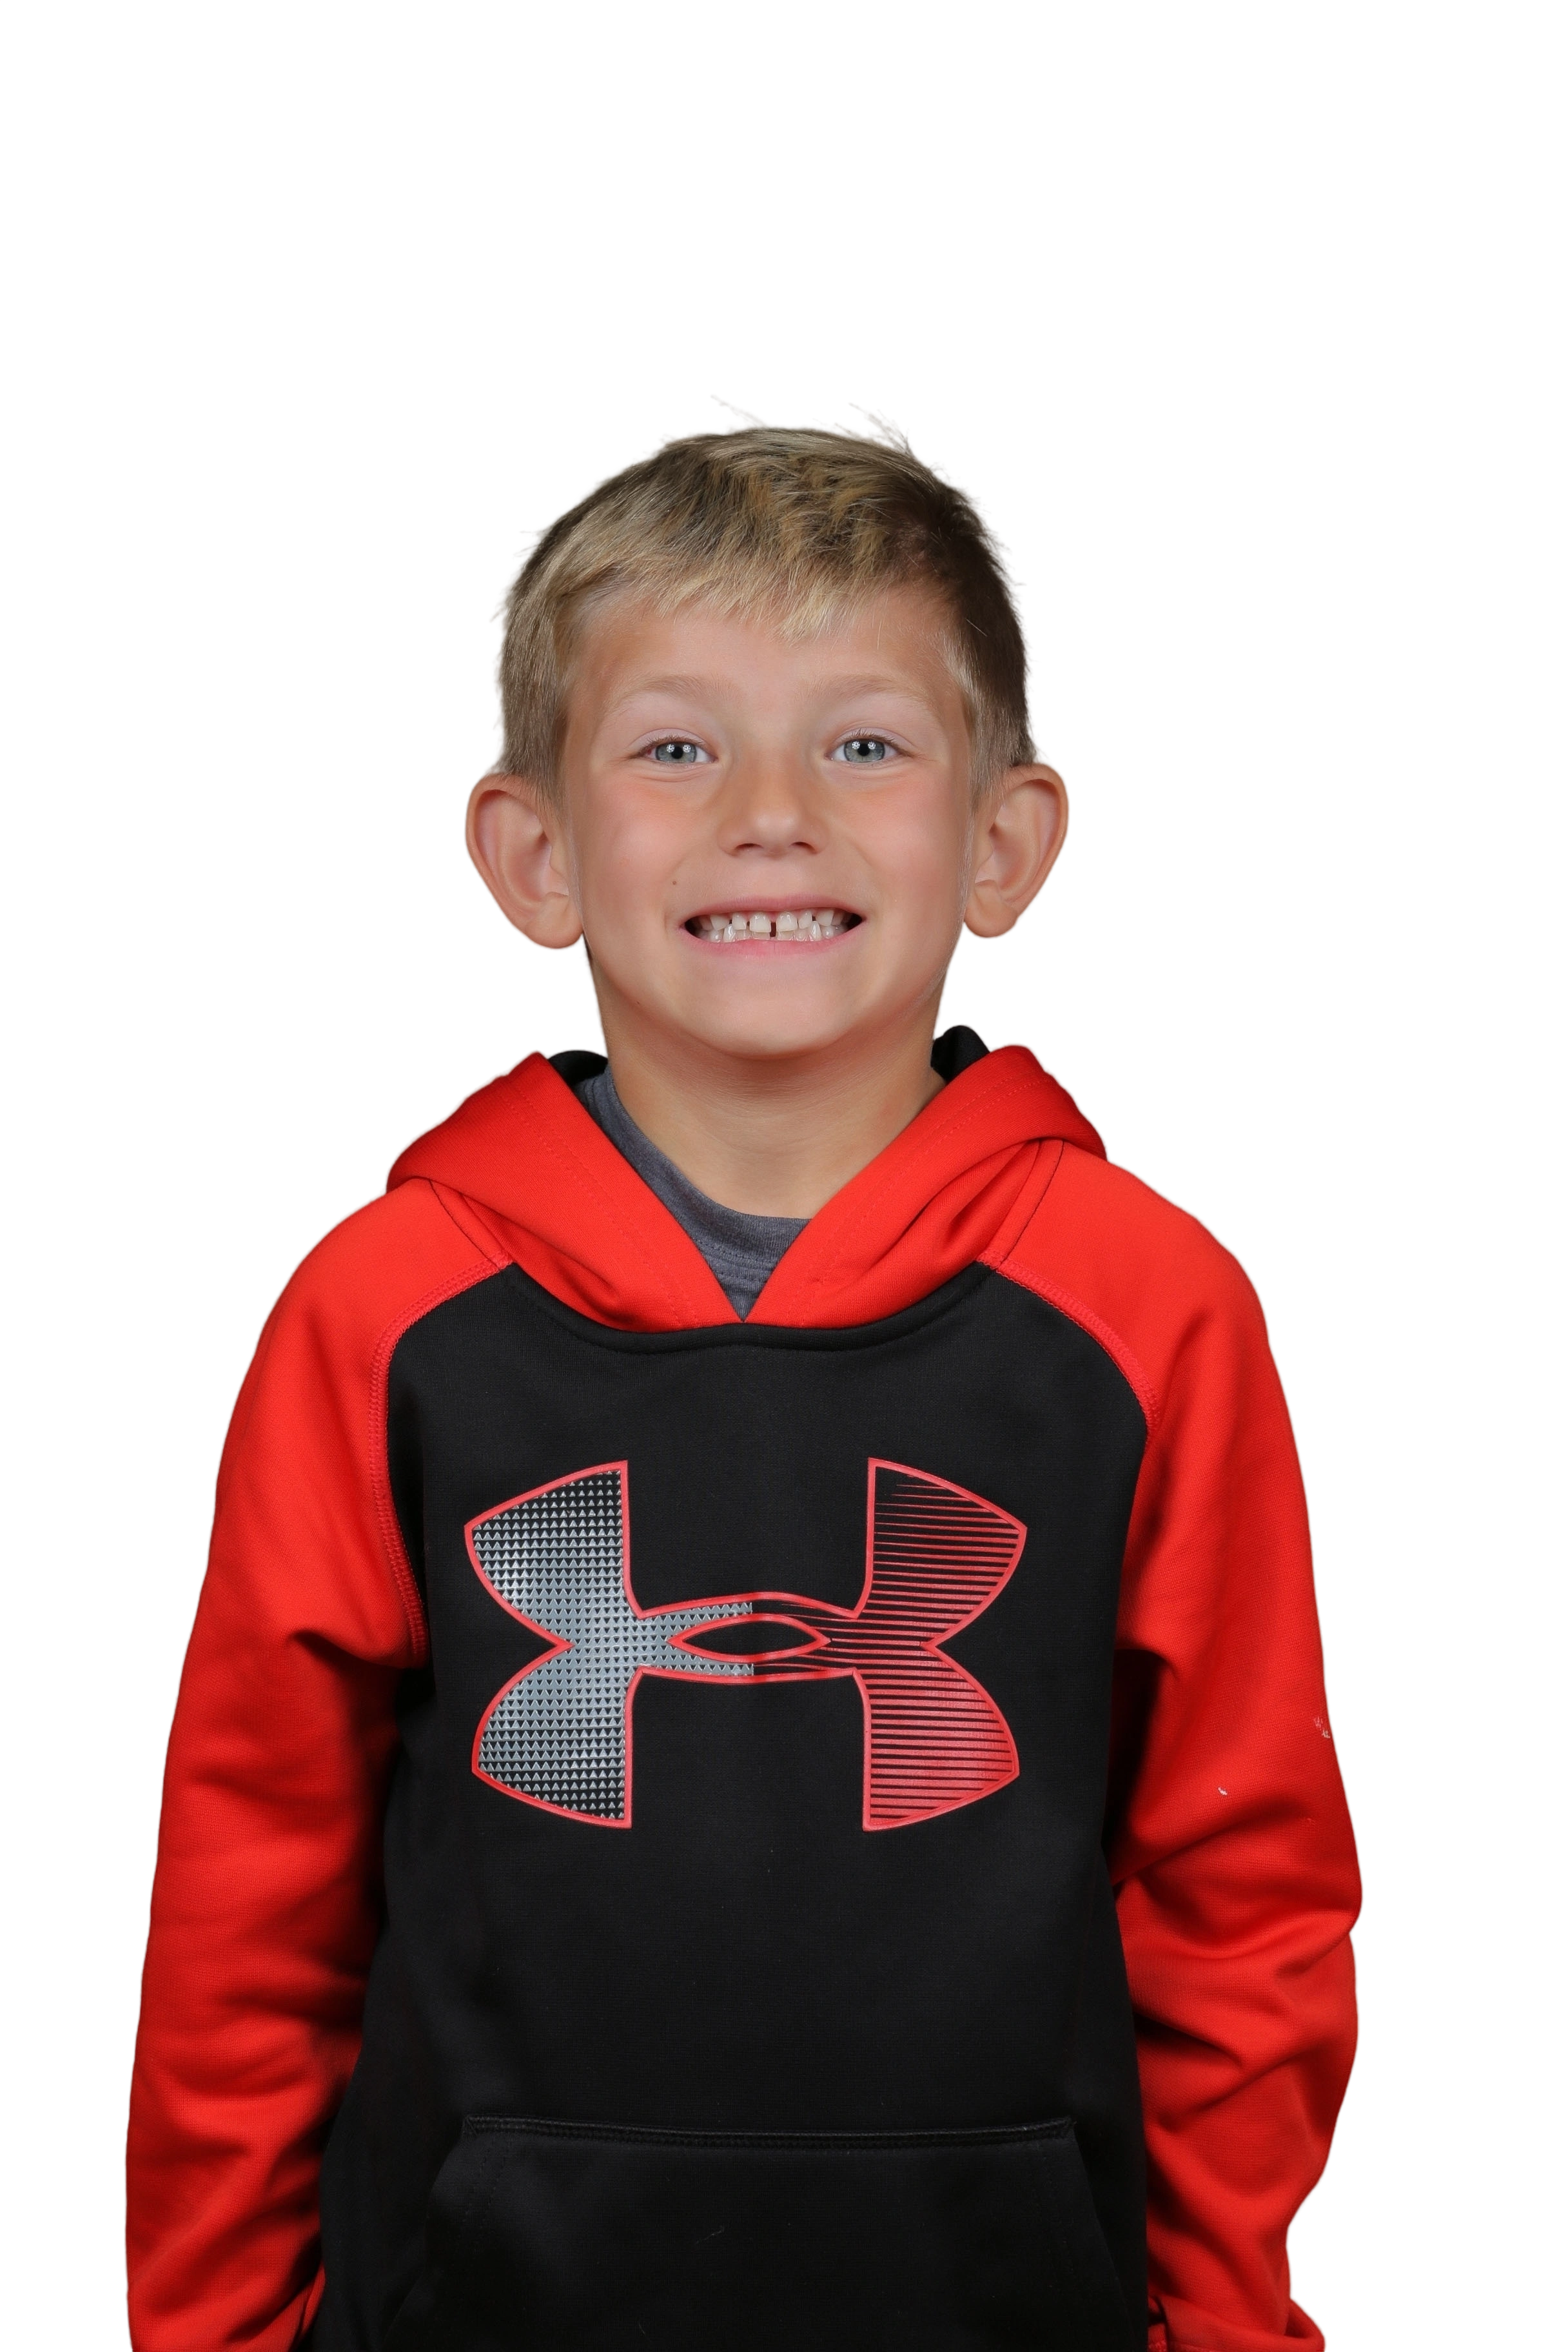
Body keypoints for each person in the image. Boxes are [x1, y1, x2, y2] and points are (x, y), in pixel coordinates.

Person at [123, 400, 1363, 2352]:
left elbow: (1247, 1886)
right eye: (676, 746)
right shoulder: (381, 1313)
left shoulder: (1153, 1311)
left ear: (1004, 842)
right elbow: (246, 1895)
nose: (770, 812)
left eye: (864, 743)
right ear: (535, 856)